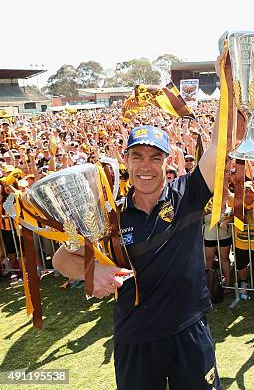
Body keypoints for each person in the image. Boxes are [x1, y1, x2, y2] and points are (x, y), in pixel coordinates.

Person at [52, 124, 222, 390]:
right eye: (138, 157)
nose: (146, 167)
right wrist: (91, 272)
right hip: (135, 338)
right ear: (126, 162)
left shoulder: (188, 193)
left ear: (167, 162)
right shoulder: (111, 215)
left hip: (189, 330)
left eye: (155, 158)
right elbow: (60, 259)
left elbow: (218, 144)